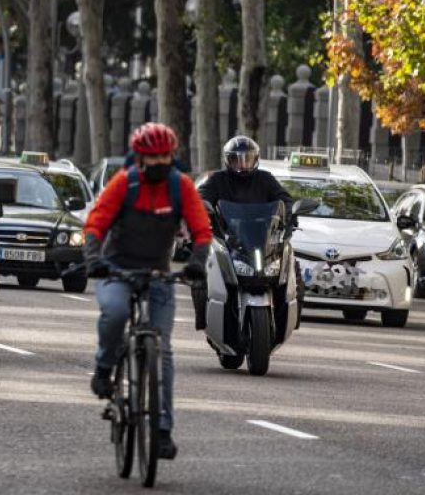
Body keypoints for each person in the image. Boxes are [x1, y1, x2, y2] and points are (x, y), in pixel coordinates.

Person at [83, 122, 212, 461]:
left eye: (164, 157)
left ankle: (163, 429)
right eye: (151, 158)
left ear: (172, 155)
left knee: (163, 350)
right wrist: (94, 258)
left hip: (157, 274)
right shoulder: (124, 183)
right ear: (139, 159)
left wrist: (197, 262)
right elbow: (95, 223)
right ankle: (104, 367)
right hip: (116, 269)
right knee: (116, 312)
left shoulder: (180, 186)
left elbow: (202, 231)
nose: (158, 163)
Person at [197, 135, 299, 330]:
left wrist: (289, 214)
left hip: (263, 240)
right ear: (228, 160)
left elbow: (284, 199)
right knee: (201, 272)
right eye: (237, 159)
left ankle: (287, 321)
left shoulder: (265, 179)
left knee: (292, 271)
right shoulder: (218, 180)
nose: (243, 164)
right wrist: (203, 209)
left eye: (248, 158)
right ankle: (204, 320)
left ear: (256, 158)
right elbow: (201, 197)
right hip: (229, 241)